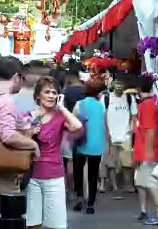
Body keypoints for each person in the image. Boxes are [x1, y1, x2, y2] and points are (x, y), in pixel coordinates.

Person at [0, 56, 40, 229]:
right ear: (16, 76)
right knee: (4, 221)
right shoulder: (6, 101)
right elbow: (8, 135)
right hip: (2, 172)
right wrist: (32, 145)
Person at [26, 76, 83, 229]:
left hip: (54, 177)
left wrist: (62, 108)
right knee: (32, 224)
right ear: (38, 96)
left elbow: (77, 127)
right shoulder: (28, 117)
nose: (51, 96)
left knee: (56, 225)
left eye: (54, 92)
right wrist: (29, 133)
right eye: (47, 92)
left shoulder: (60, 118)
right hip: (32, 176)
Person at [72, 79, 109, 214]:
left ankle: (79, 199)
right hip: (97, 143)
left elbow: (72, 122)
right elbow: (105, 124)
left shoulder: (79, 104)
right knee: (93, 174)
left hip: (82, 142)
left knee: (78, 172)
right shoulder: (101, 106)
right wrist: (107, 142)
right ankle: (90, 204)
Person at [133, 75, 158, 225]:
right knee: (142, 181)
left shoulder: (147, 104)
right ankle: (149, 212)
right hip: (143, 149)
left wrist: (149, 150)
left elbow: (150, 129)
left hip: (147, 151)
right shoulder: (147, 103)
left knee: (150, 182)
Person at [101, 72, 137, 194]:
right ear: (113, 83)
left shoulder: (129, 98)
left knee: (127, 163)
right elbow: (103, 117)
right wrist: (106, 133)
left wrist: (132, 129)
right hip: (110, 135)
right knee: (111, 163)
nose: (119, 85)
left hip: (125, 135)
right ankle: (114, 186)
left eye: (122, 83)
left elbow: (134, 115)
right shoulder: (106, 98)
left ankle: (128, 185)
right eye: (117, 82)